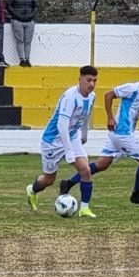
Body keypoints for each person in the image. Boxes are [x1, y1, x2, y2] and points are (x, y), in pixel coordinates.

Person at [58, 65, 139, 207]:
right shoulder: (132, 88)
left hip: (122, 133)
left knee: (102, 164)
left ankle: (67, 183)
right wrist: (110, 118)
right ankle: (136, 194)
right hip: (121, 133)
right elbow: (108, 95)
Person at [26, 66, 98, 217]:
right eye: (88, 80)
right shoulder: (70, 97)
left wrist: (84, 135)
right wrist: (69, 150)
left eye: (94, 81)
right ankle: (32, 190)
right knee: (49, 179)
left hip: (71, 137)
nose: (91, 84)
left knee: (85, 170)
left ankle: (84, 208)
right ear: (80, 80)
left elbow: (86, 116)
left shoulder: (92, 97)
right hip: (52, 141)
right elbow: (61, 125)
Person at [6, 0, 38, 67]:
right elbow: (8, 5)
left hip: (29, 21)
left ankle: (27, 59)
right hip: (17, 21)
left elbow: (36, 6)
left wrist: (31, 15)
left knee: (28, 41)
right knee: (19, 41)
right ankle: (21, 60)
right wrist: (16, 15)